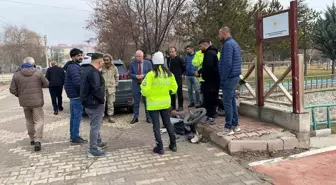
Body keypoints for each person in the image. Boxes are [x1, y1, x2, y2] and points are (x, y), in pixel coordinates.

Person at [141, 51, 177, 155]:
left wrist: (147, 94)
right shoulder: (169, 74)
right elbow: (174, 89)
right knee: (167, 123)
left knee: (156, 126)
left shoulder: (151, 75)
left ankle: (160, 147)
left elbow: (144, 90)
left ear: (153, 62)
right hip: (165, 104)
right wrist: (167, 93)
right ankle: (173, 145)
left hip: (153, 105)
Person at [9, 57, 49, 151]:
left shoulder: (17, 74)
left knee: (29, 121)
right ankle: (37, 140)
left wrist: (20, 95)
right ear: (33, 63)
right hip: (37, 102)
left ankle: (32, 139)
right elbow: (46, 84)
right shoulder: (38, 72)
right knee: (38, 120)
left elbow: (12, 89)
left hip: (25, 102)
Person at [80, 53, 107, 157]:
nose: (103, 63)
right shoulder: (93, 72)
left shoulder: (85, 70)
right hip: (95, 103)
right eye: (103, 61)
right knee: (95, 126)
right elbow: (97, 89)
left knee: (95, 124)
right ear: (100, 61)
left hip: (88, 102)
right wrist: (101, 100)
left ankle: (98, 142)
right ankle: (93, 150)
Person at [217, 27, 242, 136]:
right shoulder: (234, 43)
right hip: (234, 76)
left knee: (227, 102)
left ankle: (228, 127)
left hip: (229, 77)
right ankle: (235, 125)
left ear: (224, 33)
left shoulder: (227, 45)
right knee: (232, 101)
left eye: (219, 34)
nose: (218, 36)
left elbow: (227, 64)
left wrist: (223, 78)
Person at [64, 48, 87, 144]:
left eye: (81, 55)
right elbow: (78, 83)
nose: (81, 57)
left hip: (73, 96)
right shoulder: (74, 67)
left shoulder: (72, 66)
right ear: (73, 57)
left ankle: (73, 135)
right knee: (77, 117)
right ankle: (75, 137)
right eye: (78, 56)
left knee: (74, 116)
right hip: (76, 96)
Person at [195, 39, 220, 124]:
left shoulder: (209, 53)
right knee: (208, 99)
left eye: (200, 46)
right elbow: (206, 66)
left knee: (210, 99)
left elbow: (208, 67)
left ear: (205, 45)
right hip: (211, 81)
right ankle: (209, 115)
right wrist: (199, 72)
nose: (199, 48)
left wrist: (200, 73)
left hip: (211, 81)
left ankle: (211, 117)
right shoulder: (209, 53)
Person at [129, 50, 153, 124]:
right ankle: (135, 117)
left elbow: (151, 73)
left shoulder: (148, 63)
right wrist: (136, 76)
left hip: (145, 85)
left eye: (139, 56)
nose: (138, 58)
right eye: (137, 56)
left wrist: (144, 75)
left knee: (147, 102)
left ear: (142, 56)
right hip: (136, 85)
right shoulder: (132, 64)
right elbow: (130, 74)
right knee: (136, 103)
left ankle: (148, 117)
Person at [102, 54, 119, 123]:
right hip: (102, 88)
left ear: (110, 60)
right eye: (105, 60)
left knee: (110, 103)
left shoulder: (114, 68)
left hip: (111, 88)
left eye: (107, 60)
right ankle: (101, 117)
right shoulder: (101, 67)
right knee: (102, 103)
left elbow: (117, 77)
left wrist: (116, 85)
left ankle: (110, 117)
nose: (106, 61)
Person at [167, 46, 185, 112]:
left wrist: (181, 74)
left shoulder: (180, 59)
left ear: (175, 52)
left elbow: (183, 68)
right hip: (171, 77)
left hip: (178, 77)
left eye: (172, 52)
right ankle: (173, 106)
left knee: (179, 92)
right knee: (172, 92)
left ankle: (180, 106)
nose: (171, 53)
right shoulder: (169, 59)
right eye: (170, 52)